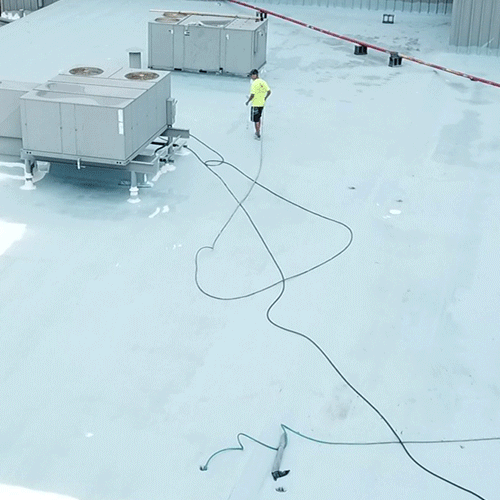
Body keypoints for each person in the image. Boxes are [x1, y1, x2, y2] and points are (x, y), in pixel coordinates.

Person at [245, 69, 271, 139]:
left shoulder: (254, 84)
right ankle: (258, 129)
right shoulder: (263, 82)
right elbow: (269, 91)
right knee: (259, 117)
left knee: (255, 120)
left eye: (251, 75)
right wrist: (265, 98)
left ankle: (257, 133)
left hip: (255, 104)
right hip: (262, 104)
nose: (251, 76)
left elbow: (252, 95)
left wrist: (248, 101)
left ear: (255, 75)